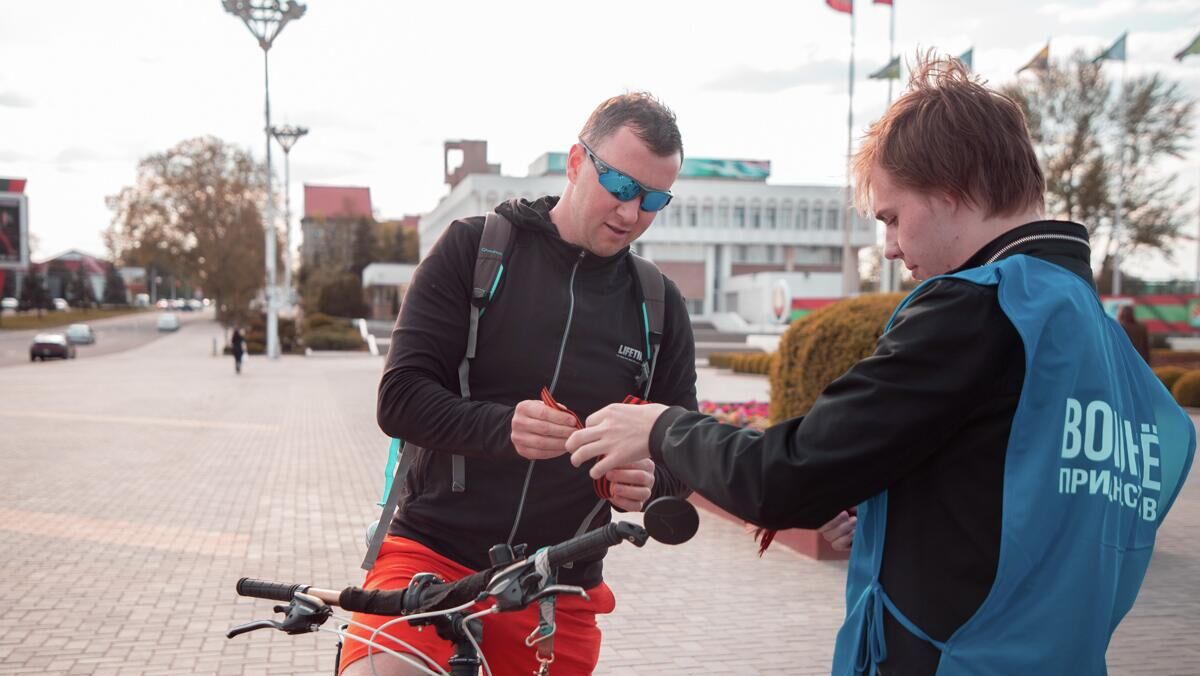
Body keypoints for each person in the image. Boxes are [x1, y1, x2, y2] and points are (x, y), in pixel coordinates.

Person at [567, 57, 1195, 675]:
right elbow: (1028, 509)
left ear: (955, 187)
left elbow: (784, 478)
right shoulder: (1108, 346)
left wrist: (660, 428)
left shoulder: (978, 309)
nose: (890, 247)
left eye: (893, 217)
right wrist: (898, 519)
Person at [340, 93, 699, 676]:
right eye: (621, 185)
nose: (632, 212)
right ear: (577, 163)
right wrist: (501, 425)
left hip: (560, 583)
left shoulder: (658, 304)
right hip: (432, 555)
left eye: (654, 199)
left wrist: (655, 480)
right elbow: (399, 396)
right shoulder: (473, 249)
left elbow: (685, 443)